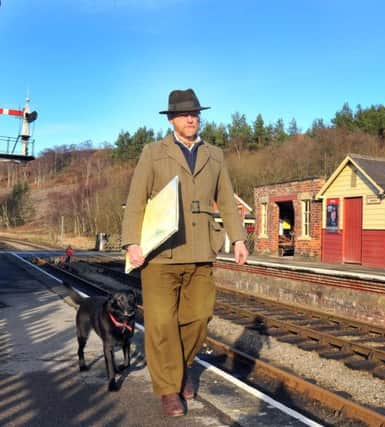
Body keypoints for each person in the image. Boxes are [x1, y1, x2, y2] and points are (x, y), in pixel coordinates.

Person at [121, 88, 248, 417]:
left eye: (195, 113)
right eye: (184, 114)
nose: (191, 118)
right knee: (162, 323)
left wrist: (238, 239)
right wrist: (131, 242)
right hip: (161, 253)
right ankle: (168, 388)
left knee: (199, 317)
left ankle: (182, 367)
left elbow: (228, 200)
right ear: (172, 119)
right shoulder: (153, 153)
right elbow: (136, 200)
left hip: (202, 250)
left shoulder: (215, 155)